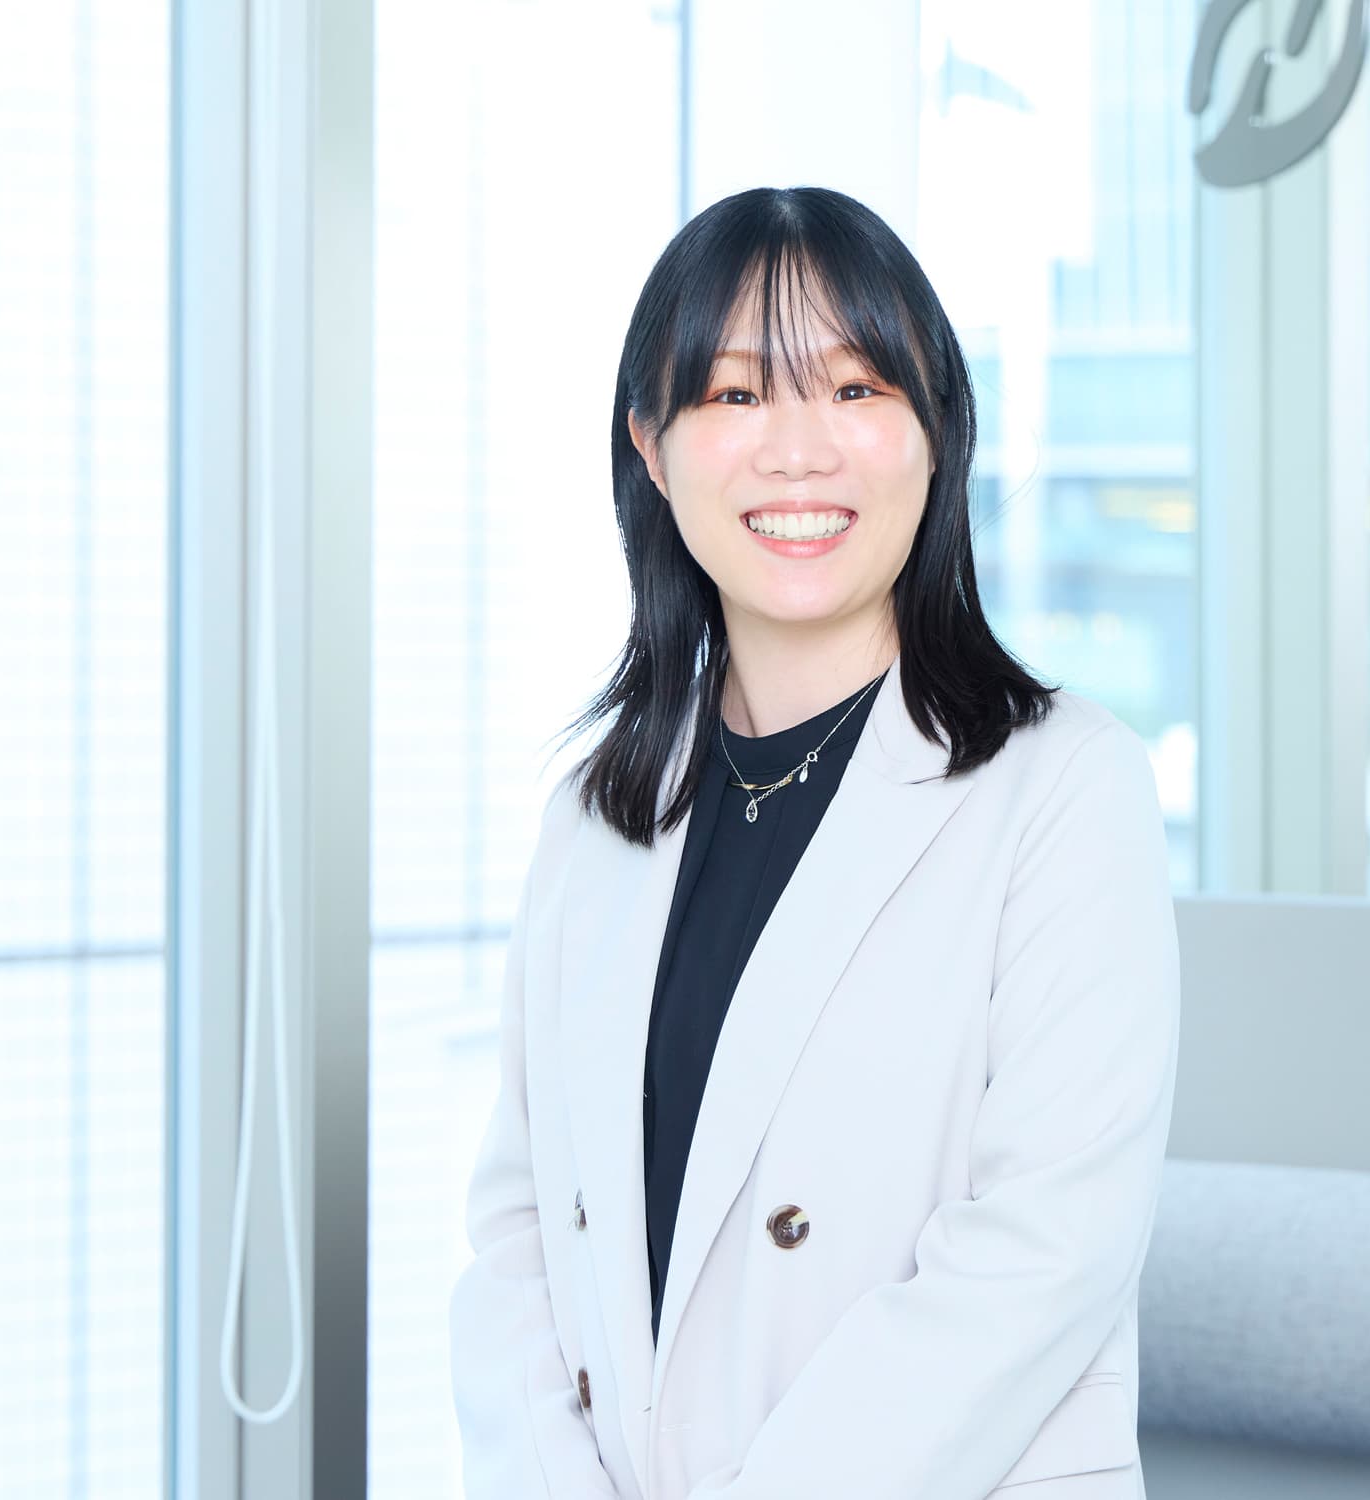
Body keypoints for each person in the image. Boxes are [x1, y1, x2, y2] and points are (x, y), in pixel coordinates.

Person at [449, 184, 1180, 1499]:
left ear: (937, 431)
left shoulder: (1066, 788)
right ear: (652, 447)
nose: (798, 452)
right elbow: (518, 1239)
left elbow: (1041, 1256)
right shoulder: (597, 816)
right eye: (734, 394)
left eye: (853, 389)